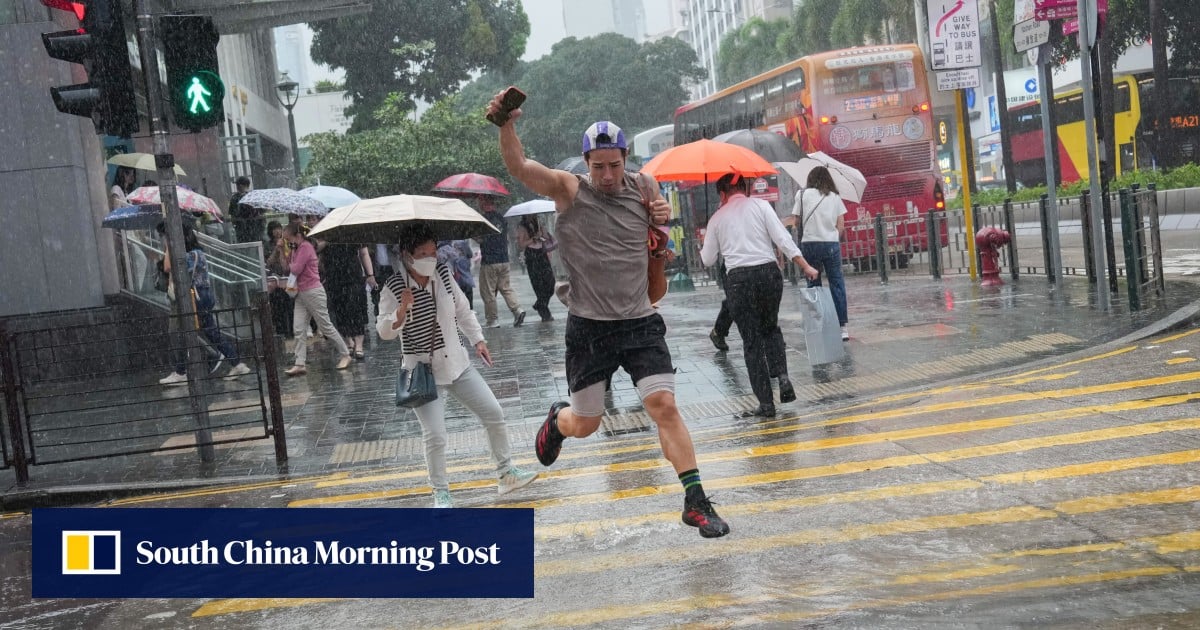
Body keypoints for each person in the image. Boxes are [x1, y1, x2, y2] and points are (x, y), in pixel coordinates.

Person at [490, 89, 730, 538]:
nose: (605, 174)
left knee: (664, 405)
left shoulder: (645, 187)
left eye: (614, 164)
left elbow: (658, 234)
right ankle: (557, 420)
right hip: (589, 328)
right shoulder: (568, 189)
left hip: (640, 320)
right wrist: (506, 124)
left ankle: (695, 501)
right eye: (597, 166)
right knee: (586, 424)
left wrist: (659, 219)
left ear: (625, 159)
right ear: (586, 163)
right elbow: (520, 168)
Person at [377, 223, 538, 507]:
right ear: (406, 254)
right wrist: (400, 311)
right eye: (423, 253)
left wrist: (478, 339)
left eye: (433, 252)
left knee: (494, 412)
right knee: (436, 435)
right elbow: (384, 332)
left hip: (457, 363)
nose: (431, 258)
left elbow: (462, 309)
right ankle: (441, 492)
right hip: (423, 372)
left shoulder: (442, 275)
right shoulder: (393, 286)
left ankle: (505, 474)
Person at [700, 173, 819, 418]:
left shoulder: (717, 218)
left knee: (752, 342)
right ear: (745, 188)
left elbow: (708, 259)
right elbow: (783, 239)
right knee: (770, 328)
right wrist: (805, 266)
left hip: (739, 282)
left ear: (722, 194)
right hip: (768, 274)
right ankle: (783, 376)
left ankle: (766, 404)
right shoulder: (761, 206)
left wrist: (708, 239)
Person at [156, 222, 252, 385]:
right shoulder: (196, 253)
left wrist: (169, 246)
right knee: (209, 331)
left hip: (197, 297)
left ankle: (182, 371)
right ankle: (235, 362)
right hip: (201, 296)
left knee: (180, 332)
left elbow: (167, 267)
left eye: (167, 236)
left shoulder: (192, 254)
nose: (165, 240)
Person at [788, 166, 850, 341]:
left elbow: (796, 221)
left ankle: (818, 324)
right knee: (837, 283)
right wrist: (831, 239)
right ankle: (842, 327)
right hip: (830, 243)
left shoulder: (801, 195)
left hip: (810, 244)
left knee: (813, 284)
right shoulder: (835, 197)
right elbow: (841, 226)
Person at [282, 223, 352, 375]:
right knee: (299, 328)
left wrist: (291, 257)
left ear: (298, 236)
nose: (288, 242)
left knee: (325, 326)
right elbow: (287, 266)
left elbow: (295, 269)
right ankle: (299, 363)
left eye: (289, 239)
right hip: (301, 293)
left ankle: (345, 353)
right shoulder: (297, 249)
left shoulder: (306, 247)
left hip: (313, 291)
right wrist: (285, 250)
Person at [474, 196, 526, 328]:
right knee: (506, 287)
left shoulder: (483, 220)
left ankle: (492, 319)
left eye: (480, 202)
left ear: (485, 204)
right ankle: (517, 310)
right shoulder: (501, 219)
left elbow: (481, 239)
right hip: (504, 259)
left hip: (489, 261)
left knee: (488, 291)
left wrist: (474, 236)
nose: (479, 204)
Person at [319, 241, 375, 360]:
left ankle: (359, 345)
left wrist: (370, 274)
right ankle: (349, 342)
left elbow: (364, 253)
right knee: (340, 310)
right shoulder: (325, 232)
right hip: (333, 277)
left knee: (357, 310)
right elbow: (317, 252)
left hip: (353, 276)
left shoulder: (351, 232)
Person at [515, 215, 556, 321]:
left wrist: (543, 231)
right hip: (531, 255)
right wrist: (533, 238)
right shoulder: (521, 227)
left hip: (542, 253)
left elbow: (546, 238)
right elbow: (521, 245)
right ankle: (545, 314)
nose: (533, 215)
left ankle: (539, 304)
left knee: (550, 283)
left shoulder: (539, 223)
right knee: (538, 285)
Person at [264, 221, 294, 340]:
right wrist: (276, 250)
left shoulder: (289, 243)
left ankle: (291, 331)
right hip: (274, 280)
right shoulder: (267, 245)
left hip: (288, 278)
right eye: (274, 229)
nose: (277, 231)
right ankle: (281, 331)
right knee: (278, 307)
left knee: (290, 306)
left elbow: (292, 257)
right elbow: (268, 263)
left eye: (279, 228)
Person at [437, 240, 476, 308]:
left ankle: (460, 308)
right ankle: (469, 308)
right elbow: (470, 254)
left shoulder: (439, 246)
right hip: (461, 270)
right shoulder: (461, 242)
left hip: (451, 273)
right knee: (467, 291)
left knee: (456, 293)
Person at [228, 176, 263, 244]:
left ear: (244, 185)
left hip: (247, 228)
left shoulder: (236, 198)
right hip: (250, 228)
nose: (237, 187)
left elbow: (232, 214)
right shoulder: (254, 196)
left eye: (238, 185)